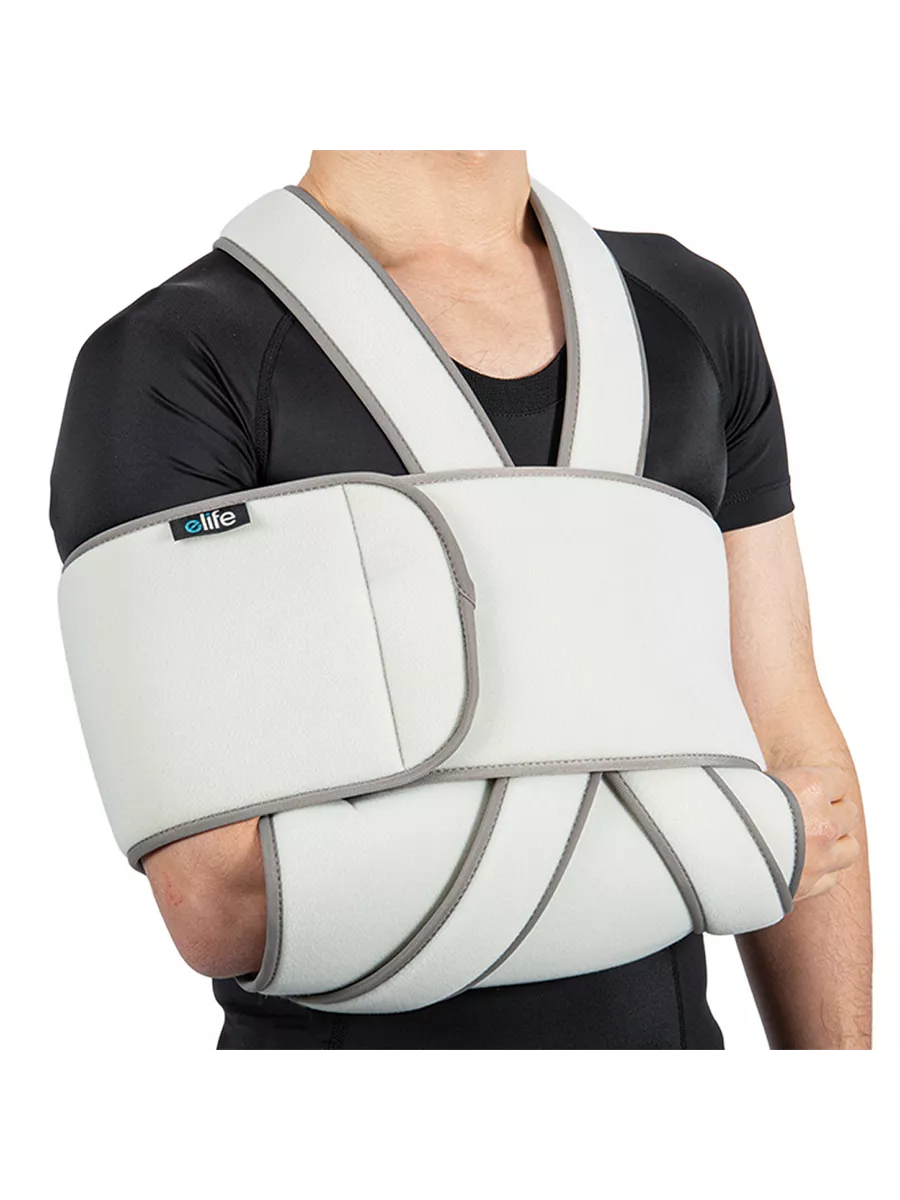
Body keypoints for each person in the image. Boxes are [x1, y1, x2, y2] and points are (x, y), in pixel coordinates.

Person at [49, 146, 871, 1053]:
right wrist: (742, 848)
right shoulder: (173, 357)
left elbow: (791, 744)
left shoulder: (688, 310)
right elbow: (225, 904)